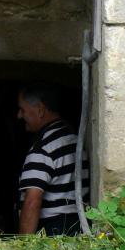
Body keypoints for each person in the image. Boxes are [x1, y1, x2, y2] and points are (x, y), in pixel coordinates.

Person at [17, 85, 88, 236]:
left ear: (40, 110)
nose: (19, 116)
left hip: (52, 233)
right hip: (79, 229)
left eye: (22, 110)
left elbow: (32, 202)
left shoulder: (42, 149)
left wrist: (24, 244)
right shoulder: (75, 140)